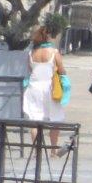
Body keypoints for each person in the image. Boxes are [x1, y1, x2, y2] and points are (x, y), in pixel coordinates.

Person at [23, 26, 68, 155]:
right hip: (50, 87)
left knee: (34, 119)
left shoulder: (31, 53)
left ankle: (36, 150)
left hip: (33, 87)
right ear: (48, 37)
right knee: (55, 119)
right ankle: (53, 150)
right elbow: (61, 70)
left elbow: (30, 69)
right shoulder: (54, 52)